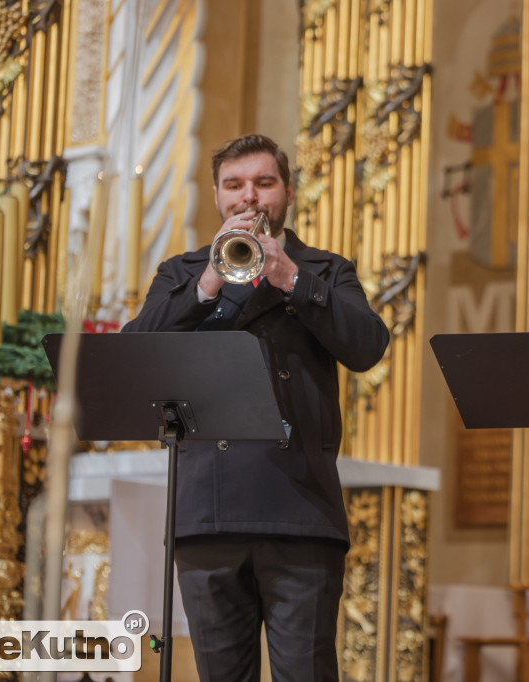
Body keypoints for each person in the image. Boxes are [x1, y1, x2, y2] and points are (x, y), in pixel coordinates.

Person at [123, 134, 390, 682]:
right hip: (207, 513)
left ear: (288, 192)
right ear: (218, 197)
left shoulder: (326, 269)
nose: (250, 198)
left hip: (300, 509)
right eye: (235, 185)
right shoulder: (183, 272)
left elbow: (368, 346)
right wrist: (209, 283)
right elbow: (136, 353)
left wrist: (289, 277)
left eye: (264, 183)